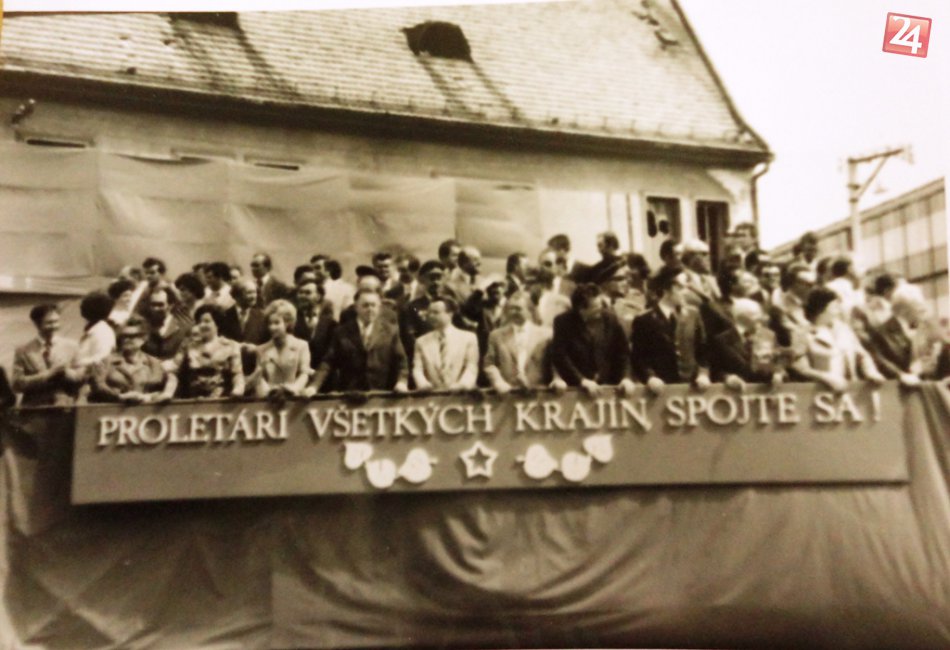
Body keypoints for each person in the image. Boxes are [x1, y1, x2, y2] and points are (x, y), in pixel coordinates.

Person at [630, 265, 711, 394]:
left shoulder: (693, 315)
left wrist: (703, 374)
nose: (686, 293)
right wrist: (650, 377)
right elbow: (639, 358)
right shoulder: (644, 320)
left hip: (692, 389)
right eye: (681, 287)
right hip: (661, 391)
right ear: (667, 289)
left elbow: (703, 351)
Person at [311, 289, 409, 393]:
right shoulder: (341, 332)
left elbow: (402, 362)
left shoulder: (390, 331)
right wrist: (314, 386)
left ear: (379, 308)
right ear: (356, 308)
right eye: (365, 305)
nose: (370, 309)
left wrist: (401, 382)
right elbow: (328, 362)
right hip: (350, 394)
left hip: (381, 393)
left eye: (373, 305)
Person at [792, 287, 885, 393]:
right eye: (835, 307)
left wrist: (871, 371)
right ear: (821, 309)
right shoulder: (802, 334)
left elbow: (862, 355)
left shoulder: (844, 329)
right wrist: (826, 378)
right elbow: (800, 368)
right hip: (820, 393)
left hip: (851, 390)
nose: (839, 310)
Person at [552, 283, 636, 396]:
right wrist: (582, 380)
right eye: (596, 307)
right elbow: (561, 357)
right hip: (577, 389)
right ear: (581, 309)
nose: (601, 309)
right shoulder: (563, 323)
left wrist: (625, 378)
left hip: (609, 386)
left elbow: (623, 352)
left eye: (601, 305)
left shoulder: (610, 319)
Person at [484, 291, 564, 393]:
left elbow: (556, 362)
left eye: (518, 308)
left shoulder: (547, 335)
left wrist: (557, 379)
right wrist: (498, 382)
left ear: (529, 310)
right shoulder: (496, 336)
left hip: (539, 393)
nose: (514, 312)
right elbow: (489, 364)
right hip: (507, 393)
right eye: (511, 309)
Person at [87, 317, 177, 404]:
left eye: (133, 336)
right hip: (113, 409)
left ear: (144, 338)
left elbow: (170, 378)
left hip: (146, 409)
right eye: (124, 336)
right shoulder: (107, 361)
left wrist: (167, 392)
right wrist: (120, 397)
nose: (127, 340)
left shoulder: (153, 363)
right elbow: (98, 385)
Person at [166, 304, 244, 399]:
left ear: (217, 323)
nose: (202, 325)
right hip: (192, 400)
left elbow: (237, 373)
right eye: (199, 322)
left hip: (221, 400)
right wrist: (168, 392)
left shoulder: (231, 346)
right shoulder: (187, 346)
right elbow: (173, 371)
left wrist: (238, 389)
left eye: (207, 321)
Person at [709, 298, 786, 390]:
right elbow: (714, 370)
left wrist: (779, 373)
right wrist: (727, 378)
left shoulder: (769, 335)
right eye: (755, 314)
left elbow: (779, 362)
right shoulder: (722, 340)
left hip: (766, 392)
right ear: (741, 318)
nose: (761, 318)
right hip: (736, 393)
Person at [12, 304, 79, 406]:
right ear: (37, 324)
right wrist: (47, 375)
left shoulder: (72, 346)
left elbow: (82, 377)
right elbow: (17, 384)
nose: (54, 326)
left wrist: (66, 372)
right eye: (49, 323)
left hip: (66, 407)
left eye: (56, 321)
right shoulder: (23, 351)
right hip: (34, 408)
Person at [867, 283, 931, 387]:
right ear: (903, 310)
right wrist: (901, 375)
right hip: (900, 387)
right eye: (918, 307)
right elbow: (880, 360)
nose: (923, 311)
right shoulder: (879, 332)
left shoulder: (924, 326)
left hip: (925, 384)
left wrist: (922, 366)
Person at [412, 297, 479, 391]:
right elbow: (417, 369)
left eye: (436, 312)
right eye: (429, 313)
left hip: (461, 394)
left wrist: (462, 386)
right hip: (431, 394)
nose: (431, 316)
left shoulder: (468, 338)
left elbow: (471, 367)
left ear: (450, 314)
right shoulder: (421, 341)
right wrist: (423, 385)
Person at [254, 300, 311, 398]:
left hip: (293, 398)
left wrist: (292, 390)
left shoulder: (301, 346)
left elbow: (304, 374)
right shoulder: (261, 349)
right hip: (269, 399)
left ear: (288, 323)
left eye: (276, 323)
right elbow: (259, 378)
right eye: (269, 323)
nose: (272, 327)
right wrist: (268, 392)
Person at [293, 280, 337, 376]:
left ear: (318, 296)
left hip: (324, 376)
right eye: (300, 292)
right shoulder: (291, 321)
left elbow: (331, 354)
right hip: (296, 374)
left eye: (307, 293)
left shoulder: (331, 324)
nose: (303, 296)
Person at [72, 291, 117, 378]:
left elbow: (101, 360)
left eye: (84, 306)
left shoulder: (103, 332)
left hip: (92, 378)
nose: (81, 308)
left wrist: (76, 363)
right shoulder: (93, 330)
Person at [143, 288, 191, 360]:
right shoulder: (143, 326)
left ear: (171, 305)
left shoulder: (183, 328)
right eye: (153, 305)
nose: (156, 308)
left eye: (160, 305)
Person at [221, 279, 268, 345]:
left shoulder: (262, 316)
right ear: (237, 295)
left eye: (255, 292)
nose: (253, 296)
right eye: (249, 293)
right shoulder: (224, 316)